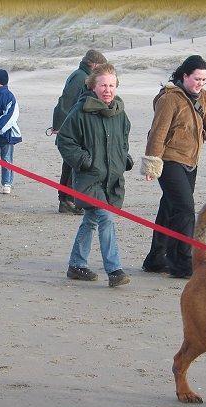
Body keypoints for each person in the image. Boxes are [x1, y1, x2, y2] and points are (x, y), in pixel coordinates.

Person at [140, 55, 206, 279]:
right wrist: (153, 163)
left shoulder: (205, 98)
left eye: (204, 80)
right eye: (197, 78)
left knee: (169, 209)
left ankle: (155, 258)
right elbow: (158, 131)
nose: (200, 83)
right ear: (184, 76)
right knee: (184, 209)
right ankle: (182, 262)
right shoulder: (169, 99)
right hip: (170, 160)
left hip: (190, 161)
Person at [56, 63, 133, 288]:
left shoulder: (120, 113)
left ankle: (76, 265)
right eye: (103, 85)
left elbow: (124, 141)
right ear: (93, 86)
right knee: (106, 218)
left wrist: (124, 159)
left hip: (112, 179)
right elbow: (64, 141)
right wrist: (84, 161)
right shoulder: (81, 111)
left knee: (91, 220)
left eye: (111, 85)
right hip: (89, 178)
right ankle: (115, 270)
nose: (107, 90)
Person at [52, 49, 107, 215]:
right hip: (73, 128)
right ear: (94, 64)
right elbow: (66, 101)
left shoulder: (82, 75)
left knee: (73, 165)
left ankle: (69, 199)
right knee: (72, 164)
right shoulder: (80, 77)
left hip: (75, 126)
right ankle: (67, 200)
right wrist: (60, 126)